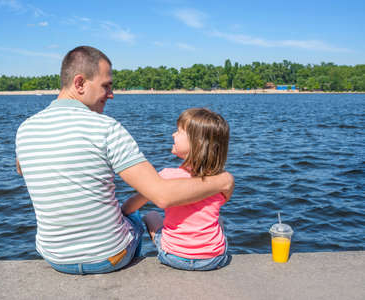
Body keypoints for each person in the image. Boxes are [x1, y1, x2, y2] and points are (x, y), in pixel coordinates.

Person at [15, 46, 234, 275]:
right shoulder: (106, 128)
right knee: (133, 214)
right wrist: (223, 181)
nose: (111, 94)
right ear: (79, 83)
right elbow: (162, 195)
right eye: (106, 86)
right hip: (108, 258)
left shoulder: (25, 129)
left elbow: (22, 168)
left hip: (54, 257)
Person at [122, 108, 232, 271]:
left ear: (197, 143)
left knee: (151, 215)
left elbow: (128, 208)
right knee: (219, 219)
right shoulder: (223, 180)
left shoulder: (166, 176)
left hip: (174, 256)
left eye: (179, 131)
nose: (173, 134)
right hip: (214, 258)